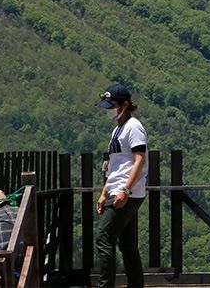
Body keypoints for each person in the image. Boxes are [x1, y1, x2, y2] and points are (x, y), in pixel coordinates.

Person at [95, 83, 147, 288]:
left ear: (125, 105)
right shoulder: (118, 130)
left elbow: (139, 160)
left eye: (112, 105)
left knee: (104, 239)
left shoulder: (134, 127)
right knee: (127, 244)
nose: (109, 109)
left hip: (126, 191)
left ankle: (105, 285)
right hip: (118, 190)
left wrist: (125, 190)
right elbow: (115, 165)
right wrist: (104, 192)